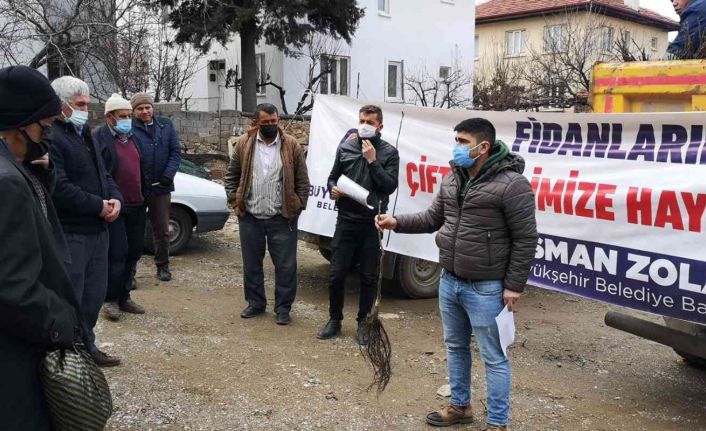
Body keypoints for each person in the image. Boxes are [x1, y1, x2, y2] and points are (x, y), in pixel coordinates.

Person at [376, 118, 538, 431]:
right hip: (450, 280)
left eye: (463, 142)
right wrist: (396, 221)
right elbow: (433, 217)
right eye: (457, 140)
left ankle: (498, 423)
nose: (457, 147)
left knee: (494, 356)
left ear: (484, 147)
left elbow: (526, 238)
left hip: (487, 287)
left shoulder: (512, 184)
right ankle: (460, 407)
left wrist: (514, 286)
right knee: (456, 347)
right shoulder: (453, 178)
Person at [0, 65, 82, 430]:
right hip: (14, 355)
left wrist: (38, 173)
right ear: (18, 124)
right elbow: (13, 286)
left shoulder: (17, 172)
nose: (45, 137)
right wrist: (61, 323)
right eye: (43, 127)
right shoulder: (7, 184)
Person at [49, 76, 123, 367]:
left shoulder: (85, 134)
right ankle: (67, 357)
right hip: (72, 233)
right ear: (61, 105)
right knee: (72, 299)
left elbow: (104, 174)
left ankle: (86, 345)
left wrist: (114, 198)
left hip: (98, 231)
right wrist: (98, 206)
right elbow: (60, 187)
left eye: (86, 103)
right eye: (79, 104)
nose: (85, 109)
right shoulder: (52, 137)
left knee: (94, 297)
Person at [317, 105, 400, 345]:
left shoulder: (389, 153)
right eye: (362, 120)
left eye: (370, 122)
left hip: (372, 223)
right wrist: (332, 188)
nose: (364, 124)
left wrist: (373, 162)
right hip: (345, 220)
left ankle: (364, 323)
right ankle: (334, 320)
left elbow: (389, 187)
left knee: (368, 276)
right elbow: (332, 176)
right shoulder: (346, 147)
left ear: (380, 127)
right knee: (336, 274)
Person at [224, 103, 310, 325]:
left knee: (286, 266)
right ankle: (255, 303)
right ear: (257, 122)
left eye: (274, 121)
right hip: (250, 216)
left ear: (278, 120)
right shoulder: (244, 144)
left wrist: (298, 206)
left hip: (282, 218)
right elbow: (232, 175)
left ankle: (283, 308)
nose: (271, 125)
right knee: (252, 264)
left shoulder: (291, 145)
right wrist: (235, 202)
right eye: (266, 122)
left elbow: (302, 180)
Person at [95, 94, 147, 321]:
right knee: (117, 253)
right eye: (122, 116)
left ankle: (124, 296)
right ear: (109, 117)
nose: (127, 120)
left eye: (129, 116)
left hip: (137, 204)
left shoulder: (132, 137)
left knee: (134, 251)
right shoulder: (99, 138)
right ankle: (110, 299)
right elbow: (100, 174)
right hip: (115, 206)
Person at [130, 92, 182, 282]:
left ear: (153, 108)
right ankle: (130, 273)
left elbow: (176, 152)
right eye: (140, 108)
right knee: (135, 231)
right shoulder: (129, 128)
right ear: (134, 111)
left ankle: (163, 266)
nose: (145, 111)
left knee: (162, 230)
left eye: (147, 107)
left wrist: (168, 176)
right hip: (137, 188)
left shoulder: (165, 125)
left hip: (161, 187)